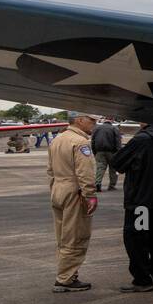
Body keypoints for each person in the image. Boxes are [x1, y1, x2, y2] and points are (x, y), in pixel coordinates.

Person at [111, 122, 153, 292]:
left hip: (141, 200)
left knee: (137, 239)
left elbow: (117, 162)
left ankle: (143, 279)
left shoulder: (141, 140)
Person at [47, 110, 100, 293]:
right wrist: (90, 194)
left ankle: (67, 274)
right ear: (79, 120)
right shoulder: (80, 142)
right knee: (76, 235)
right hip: (74, 191)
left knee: (62, 236)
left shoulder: (58, 139)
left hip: (58, 188)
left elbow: (50, 169)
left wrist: (55, 187)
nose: (93, 123)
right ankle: (65, 279)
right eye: (91, 120)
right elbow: (85, 172)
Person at [91, 118, 121, 191]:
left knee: (100, 168)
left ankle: (98, 183)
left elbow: (93, 141)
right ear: (111, 121)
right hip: (112, 152)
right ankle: (111, 186)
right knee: (113, 169)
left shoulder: (97, 128)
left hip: (99, 151)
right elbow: (118, 141)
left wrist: (95, 152)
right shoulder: (114, 128)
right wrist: (118, 153)